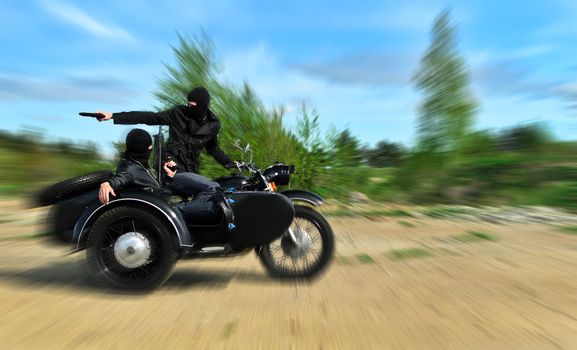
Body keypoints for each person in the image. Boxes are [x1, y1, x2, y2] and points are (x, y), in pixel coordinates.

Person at [99, 128, 230, 224]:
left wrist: (169, 175)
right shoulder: (130, 168)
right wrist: (108, 183)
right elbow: (122, 177)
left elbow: (147, 182)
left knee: (213, 189)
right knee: (216, 204)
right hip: (168, 209)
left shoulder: (136, 163)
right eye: (151, 146)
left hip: (166, 199)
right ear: (148, 147)